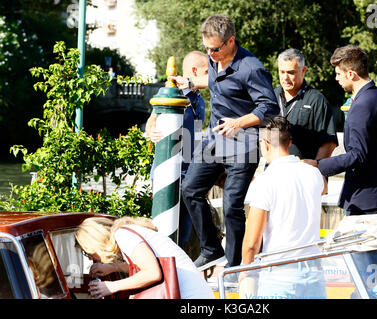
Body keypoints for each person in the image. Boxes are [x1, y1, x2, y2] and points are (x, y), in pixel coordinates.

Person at [169, 14, 279, 269]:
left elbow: (269, 107)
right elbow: (215, 81)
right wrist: (190, 83)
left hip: (243, 143)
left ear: (231, 41)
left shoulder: (252, 68)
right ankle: (211, 250)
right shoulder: (214, 55)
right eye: (207, 48)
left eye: (215, 49)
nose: (210, 53)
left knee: (231, 205)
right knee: (190, 190)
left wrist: (237, 122)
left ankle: (235, 264)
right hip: (215, 140)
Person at [303, 45, 377, 215]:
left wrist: (318, 165)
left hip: (366, 200)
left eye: (338, 73)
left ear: (351, 74)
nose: (336, 78)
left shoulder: (362, 104)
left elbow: (357, 155)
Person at [241, 116, 326, 298]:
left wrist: (245, 273)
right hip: (314, 272)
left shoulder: (265, 181)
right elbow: (323, 187)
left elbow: (252, 243)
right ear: (290, 142)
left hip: (279, 274)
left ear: (265, 144)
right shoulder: (313, 174)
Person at [145, 51, 208, 249]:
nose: (209, 76)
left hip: (189, 174)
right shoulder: (171, 95)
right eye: (206, 71)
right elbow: (151, 122)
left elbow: (195, 113)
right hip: (166, 172)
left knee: (184, 233)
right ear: (195, 71)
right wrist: (151, 132)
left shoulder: (198, 100)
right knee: (162, 230)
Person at [75, 216, 214, 299]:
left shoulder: (123, 236)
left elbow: (153, 273)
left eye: (87, 252)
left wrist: (111, 286)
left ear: (94, 243)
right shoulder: (126, 233)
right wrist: (113, 267)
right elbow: (145, 265)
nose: (90, 257)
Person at [274, 48, 338, 161]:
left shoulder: (317, 100)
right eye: (282, 72)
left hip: (304, 174)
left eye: (291, 72)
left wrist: (313, 168)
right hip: (275, 170)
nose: (285, 77)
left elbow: (329, 143)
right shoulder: (271, 96)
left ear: (303, 71)